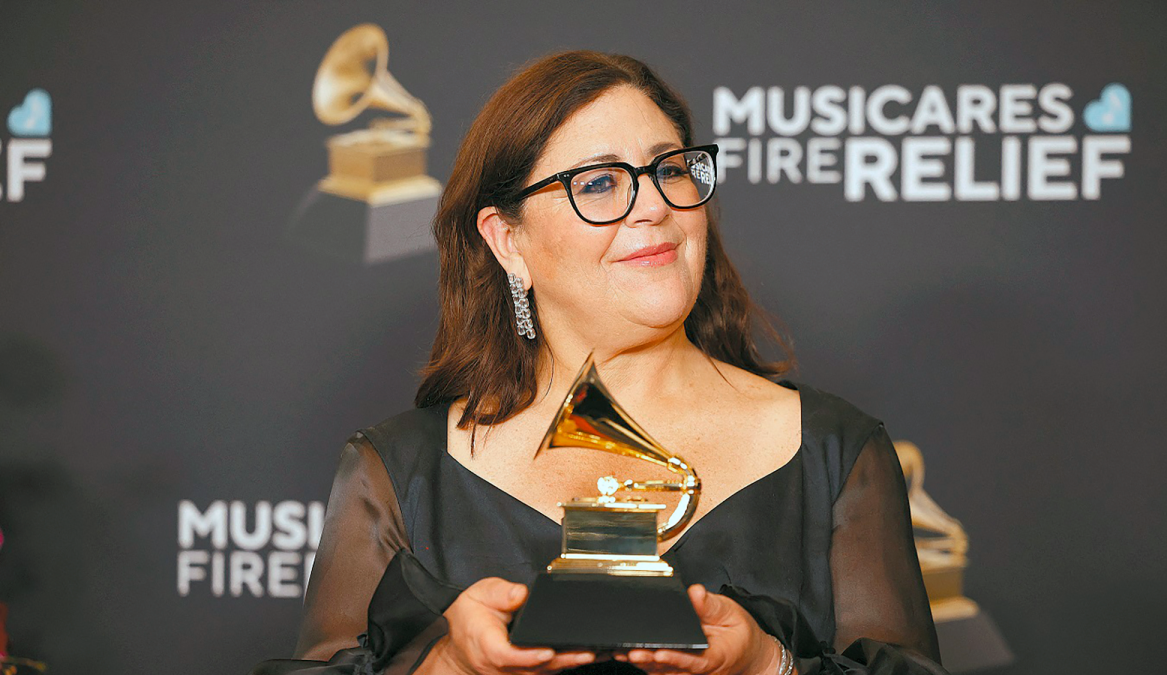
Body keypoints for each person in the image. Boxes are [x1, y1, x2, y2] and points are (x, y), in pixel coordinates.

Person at [251, 51, 946, 675]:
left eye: (669, 169)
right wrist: (447, 666)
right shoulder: (398, 472)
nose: (653, 206)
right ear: (507, 240)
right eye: (598, 183)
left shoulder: (834, 453)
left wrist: (771, 665)